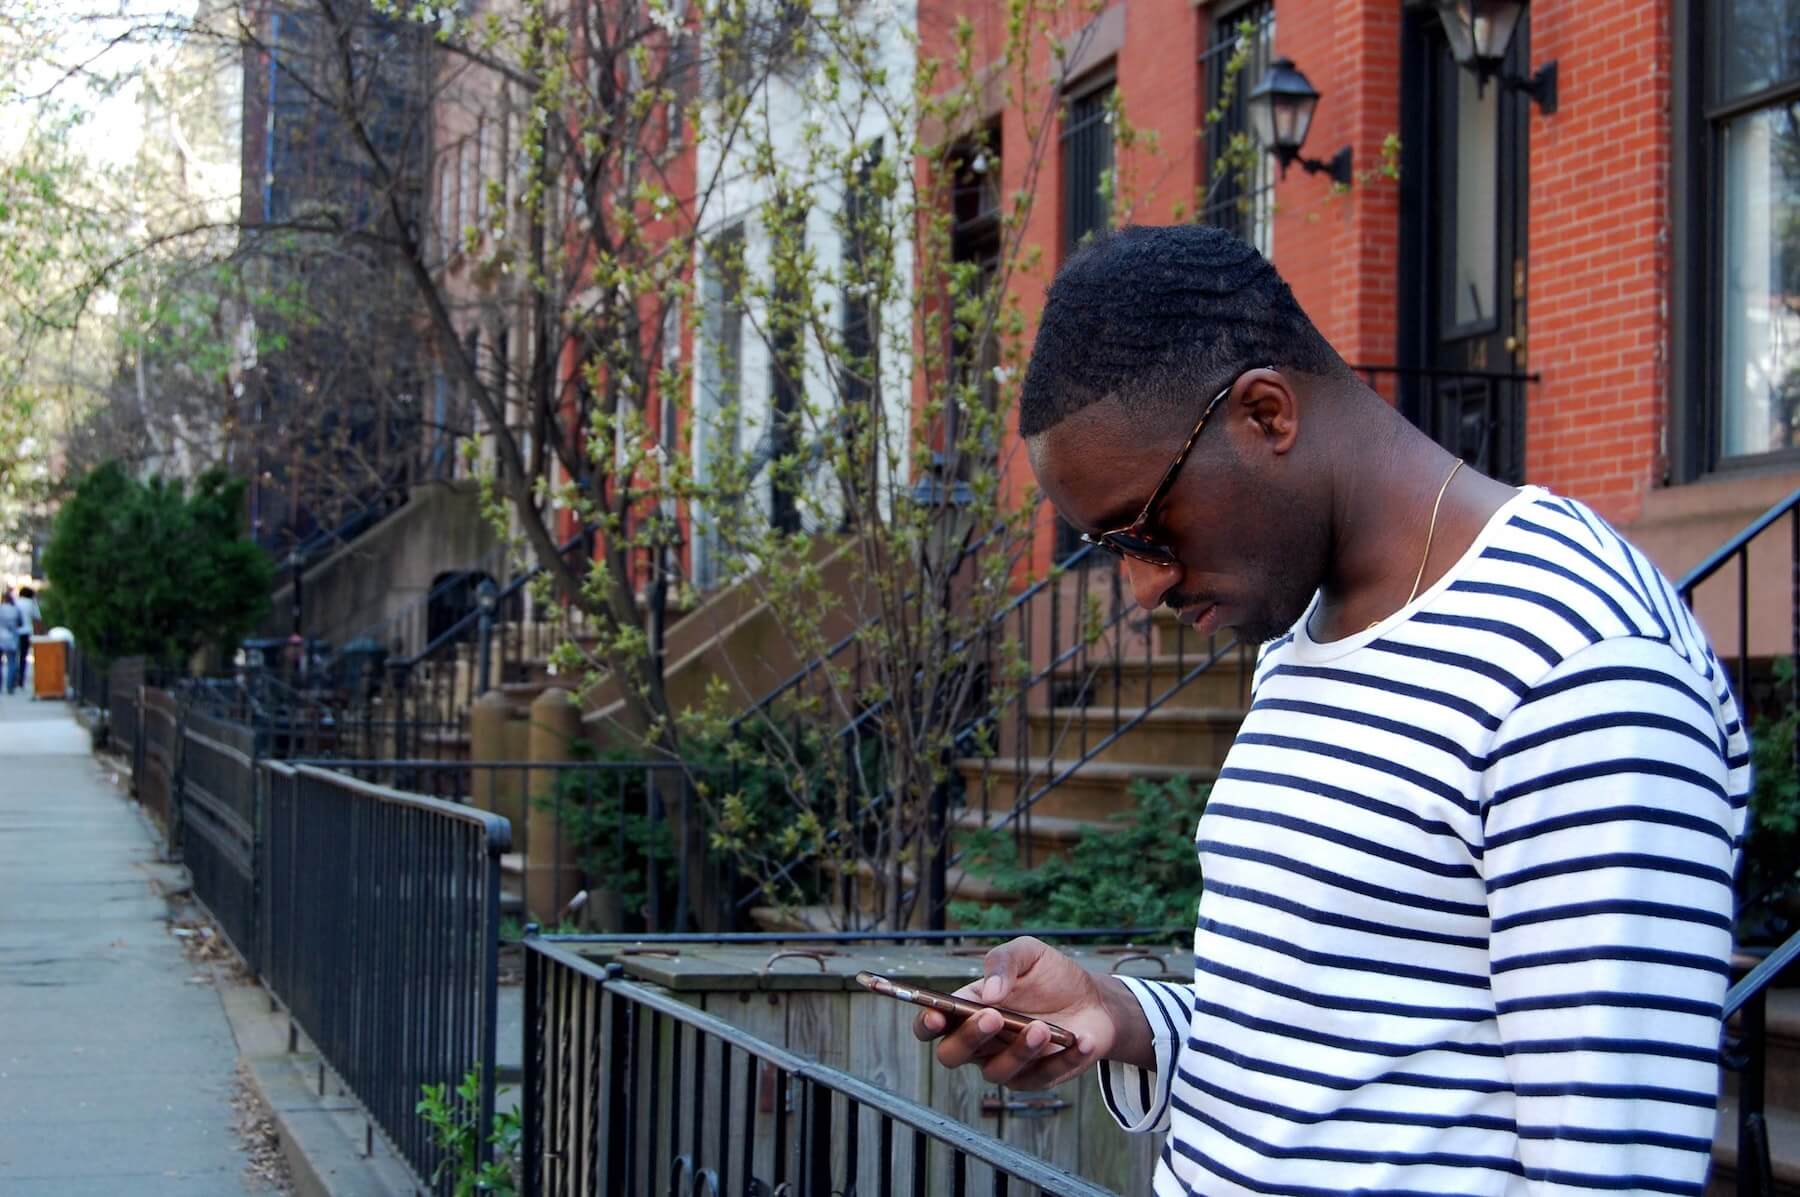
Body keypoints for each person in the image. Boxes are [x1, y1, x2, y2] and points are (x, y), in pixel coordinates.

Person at [914, 225, 1747, 1196]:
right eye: (1111, 548)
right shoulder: (1309, 630)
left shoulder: (1581, 669)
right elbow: (1333, 1037)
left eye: (1146, 527)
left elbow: (1613, 1177)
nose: (1141, 587)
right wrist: (1119, 1015)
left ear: (1266, 413)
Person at [14, 586, 39, 691]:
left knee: (14, 657)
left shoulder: (15, 602)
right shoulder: (31, 604)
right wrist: (38, 634)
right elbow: (37, 619)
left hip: (14, 632)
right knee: (23, 657)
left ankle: (13, 679)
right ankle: (21, 680)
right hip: (27, 632)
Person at [0, 591, 21, 695]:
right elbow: (20, 623)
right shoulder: (15, 610)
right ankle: (9, 687)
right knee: (12, 663)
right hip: (12, 639)